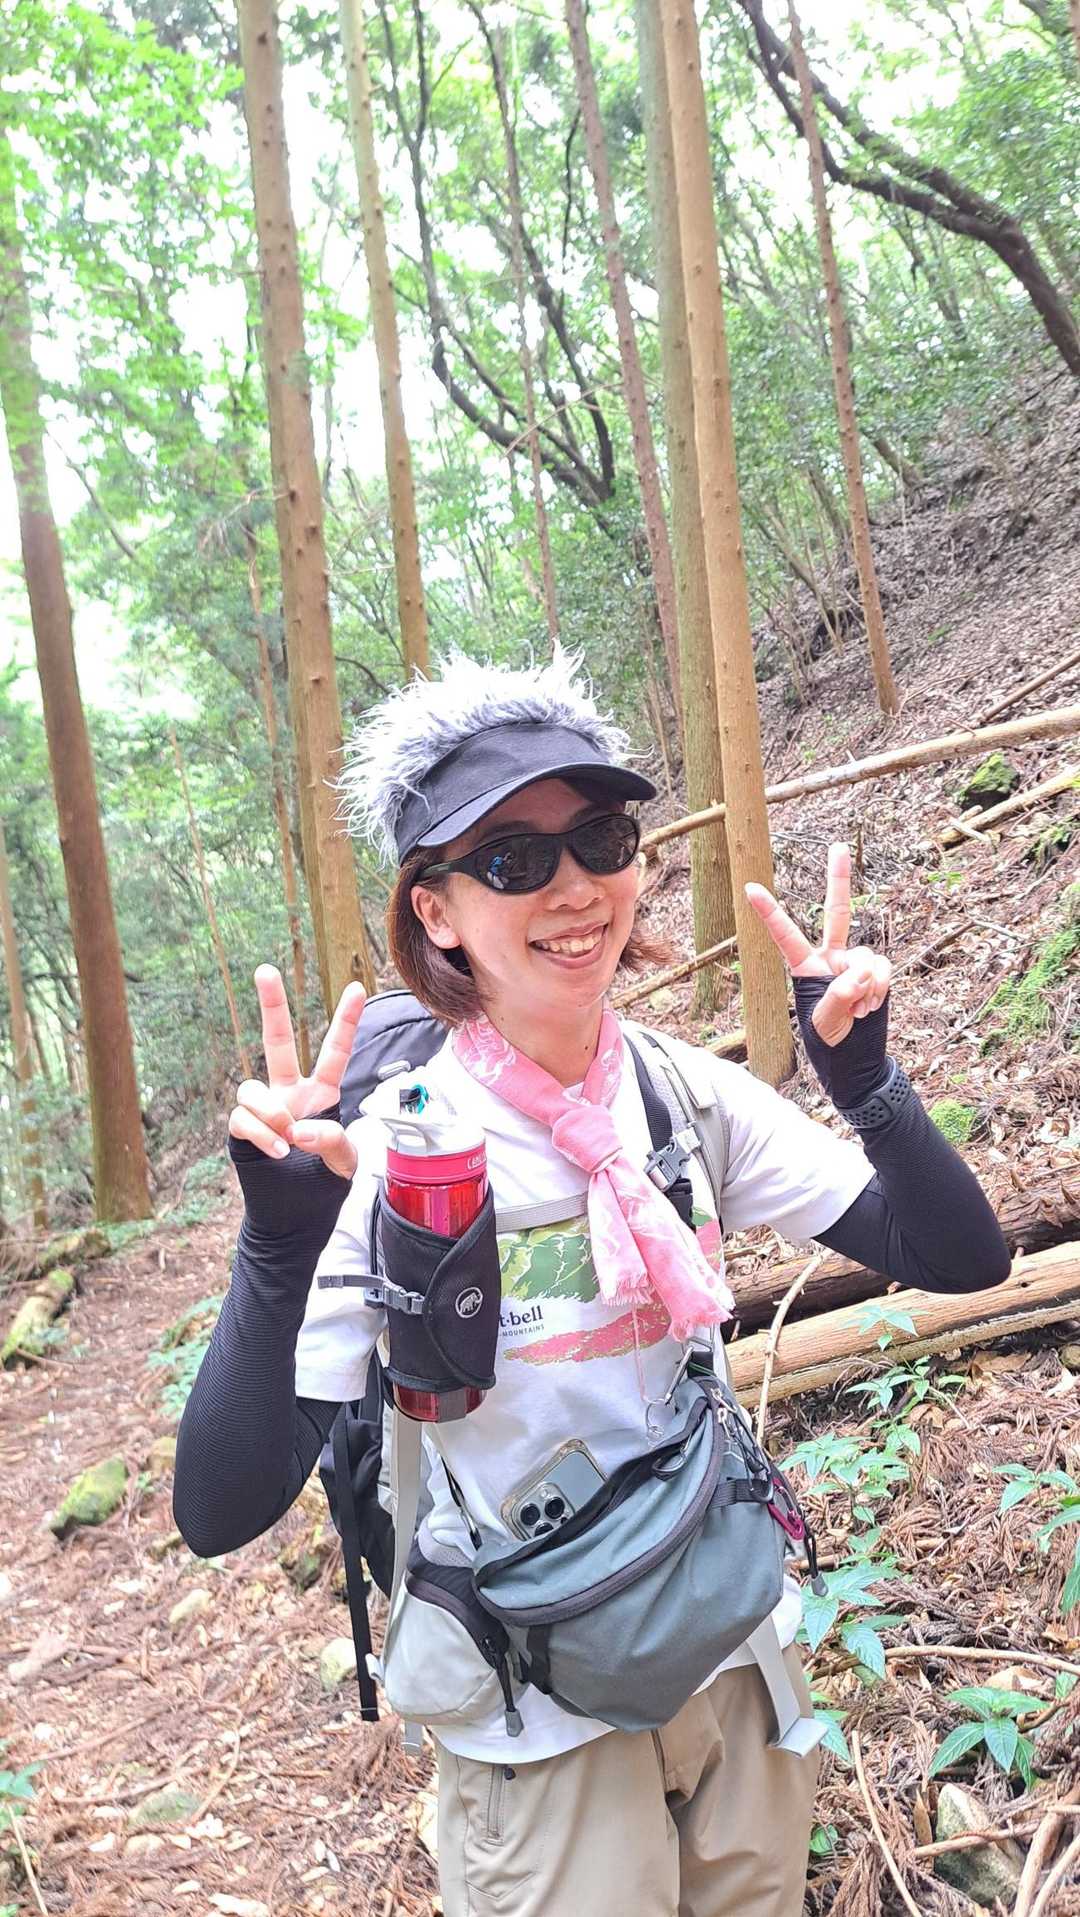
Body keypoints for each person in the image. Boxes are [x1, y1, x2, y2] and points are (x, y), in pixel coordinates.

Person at [175, 650, 1009, 1917]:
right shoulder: (392, 1154)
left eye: (600, 841)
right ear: (436, 911)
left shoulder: (678, 1093)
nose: (573, 888)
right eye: (513, 859)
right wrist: (279, 1247)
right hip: (533, 1721)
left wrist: (868, 1084)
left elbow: (959, 1256)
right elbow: (219, 1507)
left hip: (731, 1651)